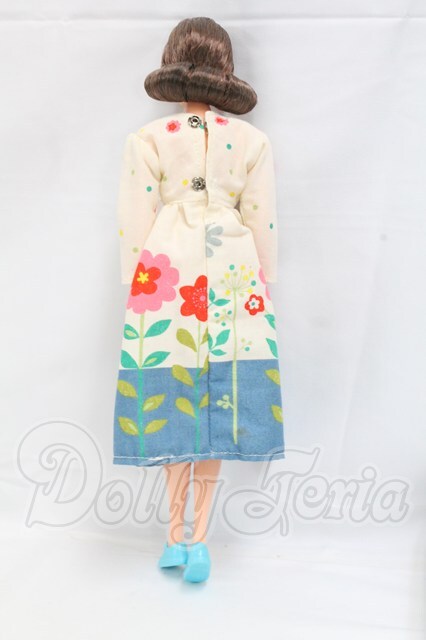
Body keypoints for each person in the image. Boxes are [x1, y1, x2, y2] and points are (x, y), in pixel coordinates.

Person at [112, 16, 285, 583]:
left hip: (166, 266)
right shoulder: (252, 141)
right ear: (226, 67)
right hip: (235, 269)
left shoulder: (149, 138)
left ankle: (174, 536)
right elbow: (261, 218)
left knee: (175, 392)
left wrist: (137, 282)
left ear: (172, 60)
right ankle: (199, 541)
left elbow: (135, 215)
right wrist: (264, 281)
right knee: (218, 400)